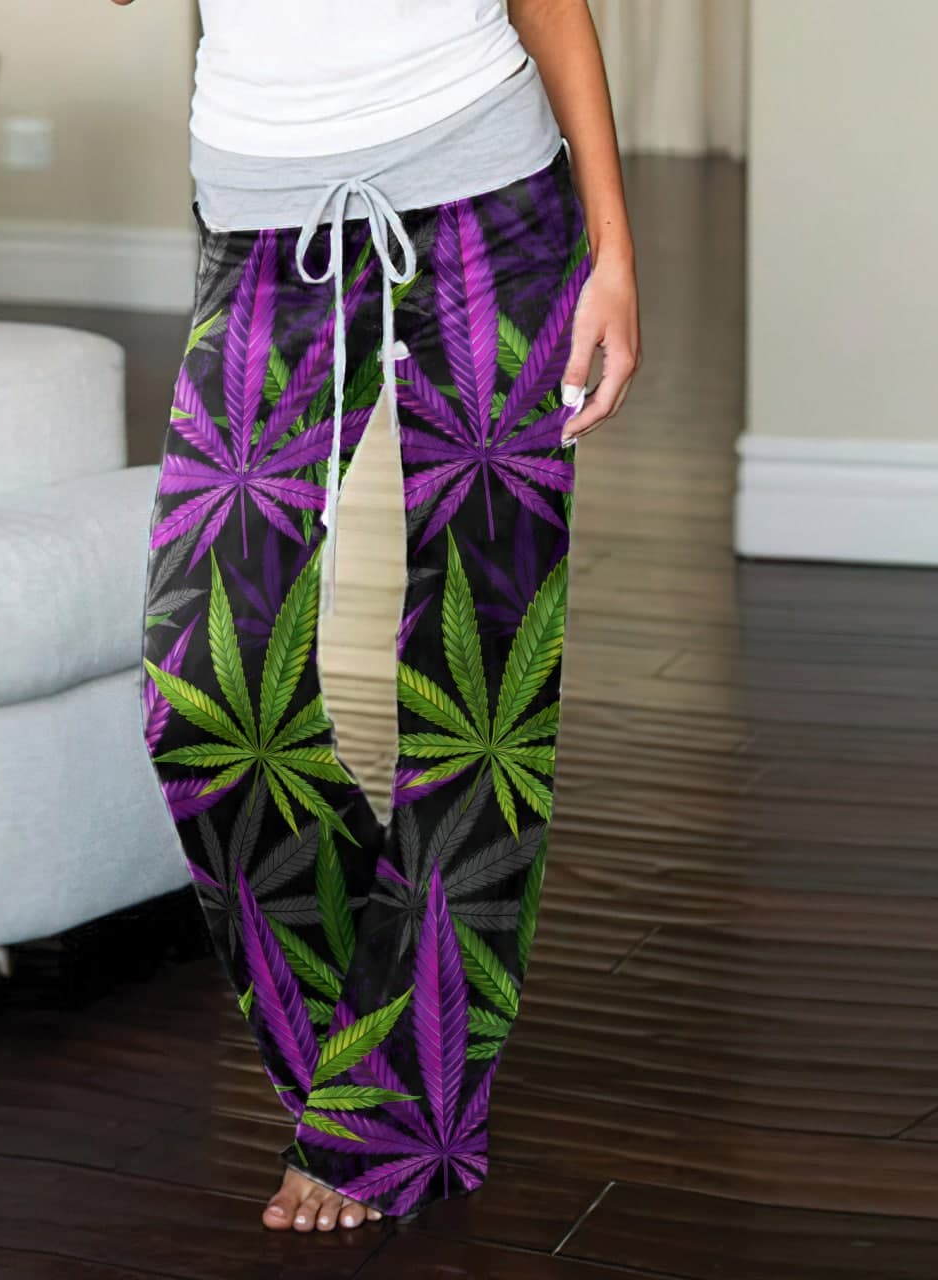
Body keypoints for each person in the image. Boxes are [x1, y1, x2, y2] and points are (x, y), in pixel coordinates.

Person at [115, 0, 640, 1234]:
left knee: (477, 692)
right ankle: (376, 1071)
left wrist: (612, 253)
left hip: (490, 214)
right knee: (206, 700)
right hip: (259, 226)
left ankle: (389, 1118)